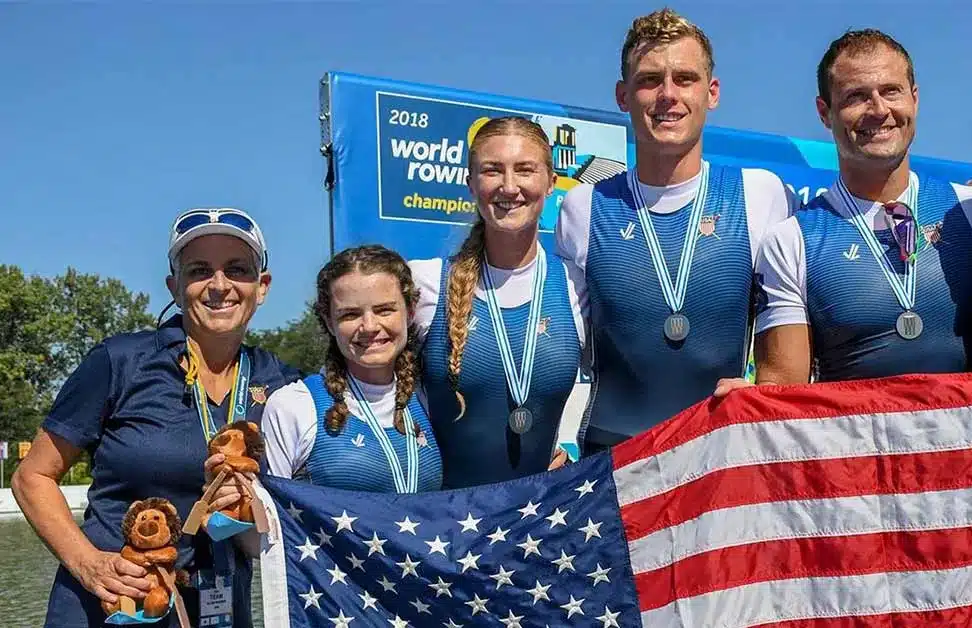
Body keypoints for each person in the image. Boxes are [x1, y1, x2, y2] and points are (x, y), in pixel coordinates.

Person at [12, 208, 299, 628]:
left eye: (237, 270)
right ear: (175, 286)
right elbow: (32, 477)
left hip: (221, 609)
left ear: (263, 287)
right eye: (200, 270)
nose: (220, 285)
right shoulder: (121, 360)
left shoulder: (283, 383)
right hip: (110, 605)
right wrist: (88, 563)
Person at [718, 30, 972, 395]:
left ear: (915, 98)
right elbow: (782, 394)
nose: (878, 110)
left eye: (891, 91)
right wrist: (750, 404)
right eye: (856, 96)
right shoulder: (790, 240)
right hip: (854, 451)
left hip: (967, 450)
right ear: (824, 113)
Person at [556, 8, 795, 451]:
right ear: (623, 96)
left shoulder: (761, 194)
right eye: (649, 80)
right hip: (611, 460)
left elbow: (800, 324)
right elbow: (557, 350)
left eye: (684, 78)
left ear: (712, 92)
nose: (668, 95)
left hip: (721, 456)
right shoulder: (583, 206)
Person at [413, 116, 587, 489]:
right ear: (470, 184)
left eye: (525, 170)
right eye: (492, 171)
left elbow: (621, 386)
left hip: (542, 521)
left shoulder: (577, 285)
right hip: (447, 524)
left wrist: (575, 450)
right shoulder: (424, 284)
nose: (510, 187)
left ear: (551, 183)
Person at [259, 244, 442, 493]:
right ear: (329, 322)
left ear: (410, 312)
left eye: (384, 310)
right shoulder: (293, 407)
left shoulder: (432, 398)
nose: (369, 326)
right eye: (350, 315)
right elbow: (274, 524)